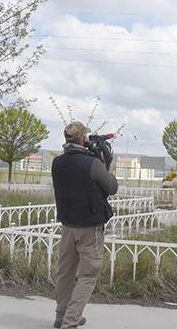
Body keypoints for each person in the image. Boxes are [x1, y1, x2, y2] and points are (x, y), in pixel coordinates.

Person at [51, 121, 118, 329]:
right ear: (82, 139)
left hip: (68, 225)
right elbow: (111, 187)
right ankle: (71, 321)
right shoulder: (92, 163)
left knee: (66, 273)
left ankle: (61, 316)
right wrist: (105, 164)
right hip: (90, 227)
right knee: (88, 274)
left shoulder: (57, 162)